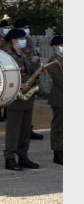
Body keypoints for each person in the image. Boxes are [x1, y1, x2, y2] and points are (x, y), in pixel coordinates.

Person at [2, 28, 41, 170]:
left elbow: (31, 71)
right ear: (14, 40)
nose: (24, 41)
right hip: (15, 96)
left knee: (25, 130)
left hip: (27, 96)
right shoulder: (8, 56)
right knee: (14, 130)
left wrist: (38, 64)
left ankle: (23, 156)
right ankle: (10, 159)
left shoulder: (24, 54)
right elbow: (5, 76)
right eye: (22, 39)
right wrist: (19, 86)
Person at [13, 18, 44, 141]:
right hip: (21, 79)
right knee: (19, 110)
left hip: (32, 75)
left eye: (27, 27)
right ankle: (20, 132)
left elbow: (33, 54)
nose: (27, 29)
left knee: (29, 107)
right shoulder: (14, 42)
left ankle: (28, 129)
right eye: (25, 27)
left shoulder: (29, 40)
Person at [47, 35, 63, 165]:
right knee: (59, 126)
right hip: (59, 98)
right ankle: (58, 153)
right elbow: (60, 80)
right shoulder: (53, 60)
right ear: (55, 46)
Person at [0, 20, 11, 122]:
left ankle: (6, 112)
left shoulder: (9, 39)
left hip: (9, 65)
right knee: (0, 89)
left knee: (8, 89)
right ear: (0, 29)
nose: (7, 29)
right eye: (5, 27)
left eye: (8, 28)